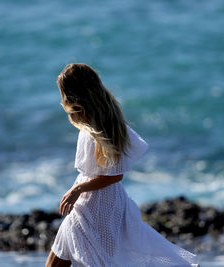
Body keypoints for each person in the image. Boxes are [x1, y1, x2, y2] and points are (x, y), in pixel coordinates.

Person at [46, 63, 199, 267]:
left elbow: (116, 175)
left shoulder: (97, 129)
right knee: (69, 255)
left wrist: (78, 189)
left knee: (80, 259)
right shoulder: (107, 117)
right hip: (102, 202)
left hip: (96, 205)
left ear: (75, 96)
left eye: (64, 95)